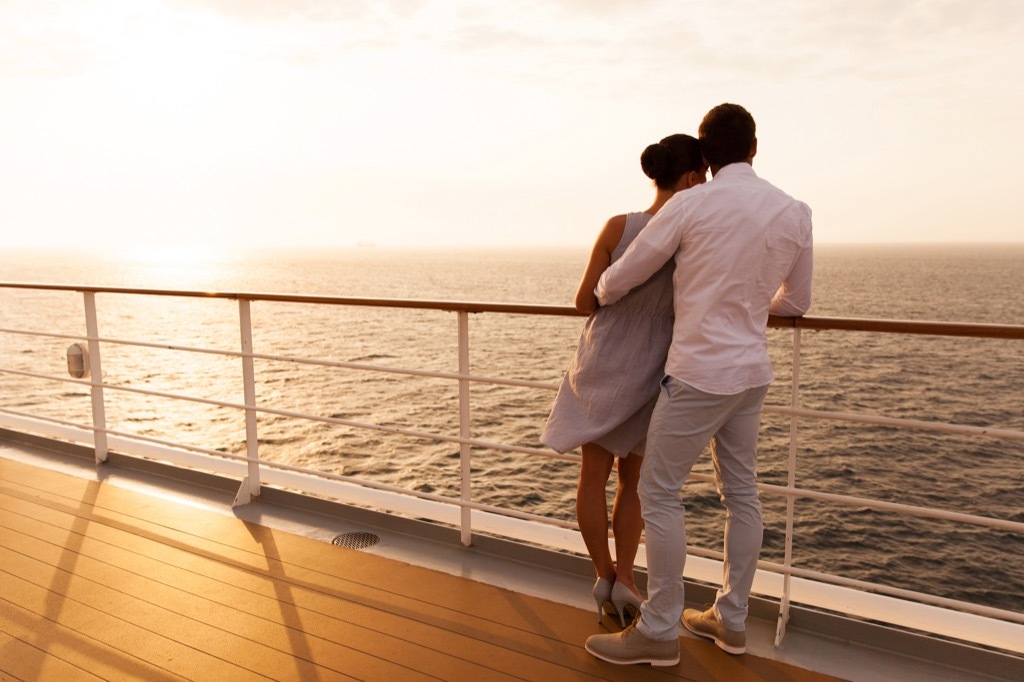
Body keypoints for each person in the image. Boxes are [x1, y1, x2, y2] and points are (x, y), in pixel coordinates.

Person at [584, 103, 813, 667]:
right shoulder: (794, 210)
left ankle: (659, 630)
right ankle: (730, 621)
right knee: (743, 495)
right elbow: (798, 303)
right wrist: (751, 308)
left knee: (658, 495)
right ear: (754, 148)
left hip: (696, 376)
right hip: (750, 375)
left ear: (706, 157)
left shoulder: (693, 202)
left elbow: (623, 275)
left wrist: (605, 297)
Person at [541, 134, 707, 627]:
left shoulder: (619, 226)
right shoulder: (690, 238)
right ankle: (629, 581)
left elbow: (583, 302)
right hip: (653, 369)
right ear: (693, 178)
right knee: (633, 481)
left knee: (592, 475)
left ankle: (604, 576)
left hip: (601, 361)